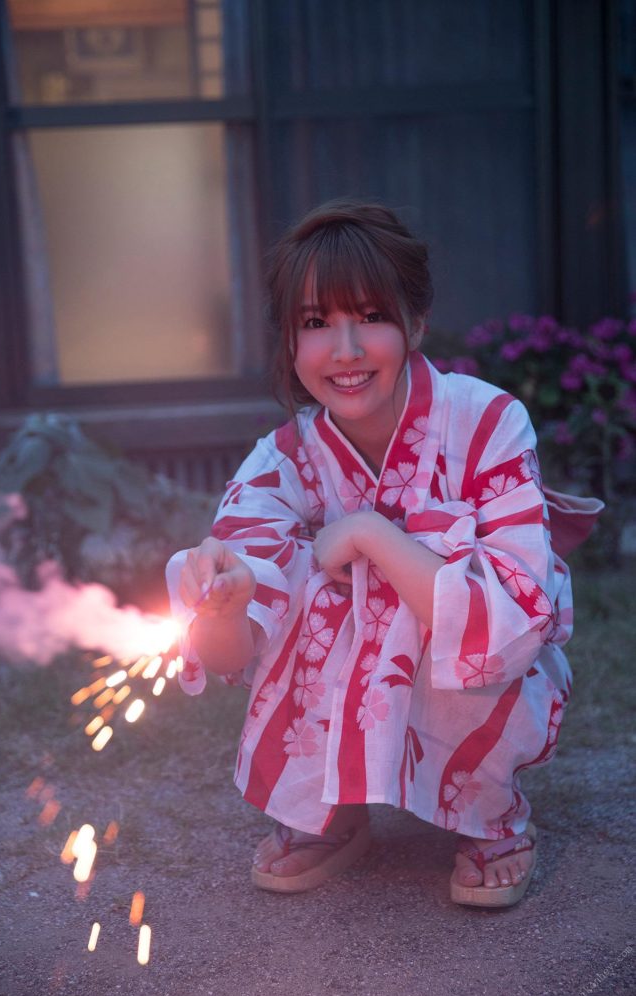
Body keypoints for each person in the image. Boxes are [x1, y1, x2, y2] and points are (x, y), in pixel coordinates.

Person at [166, 200, 601, 908]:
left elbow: (515, 615)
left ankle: (488, 815)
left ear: (415, 325)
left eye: (369, 316)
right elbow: (229, 654)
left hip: (485, 660)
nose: (344, 350)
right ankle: (330, 811)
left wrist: (371, 532)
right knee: (288, 575)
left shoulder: (487, 421)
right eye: (315, 323)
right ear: (289, 342)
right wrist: (223, 606)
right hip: (354, 645)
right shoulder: (281, 461)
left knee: (439, 580)